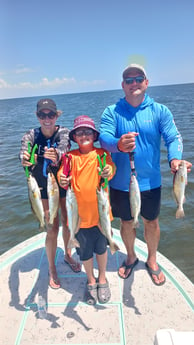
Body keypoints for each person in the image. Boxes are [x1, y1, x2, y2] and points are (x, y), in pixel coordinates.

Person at [99, 64, 192, 285]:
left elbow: (173, 137)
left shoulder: (160, 111)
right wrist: (118, 144)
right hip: (121, 183)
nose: (134, 83)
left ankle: (152, 258)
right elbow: (103, 139)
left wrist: (174, 158)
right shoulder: (111, 112)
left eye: (138, 78)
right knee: (126, 222)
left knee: (151, 222)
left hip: (151, 182)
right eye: (128, 80)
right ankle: (131, 256)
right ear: (123, 85)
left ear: (146, 82)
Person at [19, 98, 81, 289]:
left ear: (56, 116)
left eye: (51, 115)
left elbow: (64, 147)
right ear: (38, 117)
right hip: (42, 189)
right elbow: (23, 151)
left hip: (62, 183)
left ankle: (68, 255)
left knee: (67, 222)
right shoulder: (30, 135)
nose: (47, 119)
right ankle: (52, 267)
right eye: (42, 115)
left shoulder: (63, 132)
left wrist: (57, 154)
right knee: (51, 226)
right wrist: (24, 158)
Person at [57, 115, 116, 304]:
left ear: (94, 135)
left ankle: (103, 278)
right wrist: (62, 180)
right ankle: (90, 279)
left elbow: (110, 168)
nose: (84, 136)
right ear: (74, 137)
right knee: (85, 253)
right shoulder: (69, 157)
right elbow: (62, 174)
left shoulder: (101, 154)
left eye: (87, 132)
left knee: (101, 249)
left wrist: (108, 170)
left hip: (101, 218)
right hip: (79, 220)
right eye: (80, 133)